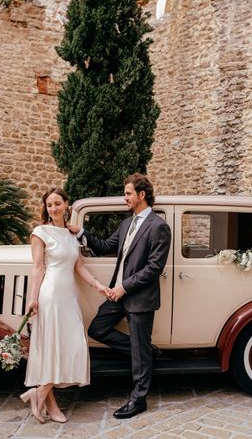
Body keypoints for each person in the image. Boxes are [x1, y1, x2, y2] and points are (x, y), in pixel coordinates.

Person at [68, 173, 171, 419]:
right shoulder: (127, 224)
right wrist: (80, 231)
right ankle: (146, 350)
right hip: (118, 295)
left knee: (139, 349)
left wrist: (123, 287)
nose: (124, 198)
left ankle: (138, 399)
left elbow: (154, 268)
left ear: (141, 195)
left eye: (127, 194)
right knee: (97, 329)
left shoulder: (159, 226)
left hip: (139, 298)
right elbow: (105, 246)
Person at [20, 187, 109, 423]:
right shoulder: (40, 232)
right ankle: (49, 402)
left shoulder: (71, 235)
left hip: (68, 297)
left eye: (57, 203)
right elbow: (38, 267)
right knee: (51, 349)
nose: (53, 208)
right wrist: (33, 298)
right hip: (50, 295)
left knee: (74, 347)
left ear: (66, 204)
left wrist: (98, 285)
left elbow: (78, 266)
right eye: (49, 205)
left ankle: (37, 393)